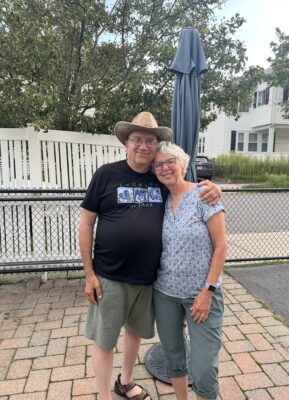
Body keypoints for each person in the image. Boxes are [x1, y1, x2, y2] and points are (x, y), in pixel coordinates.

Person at [79, 111, 222, 400]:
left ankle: (126, 381)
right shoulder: (107, 174)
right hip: (110, 275)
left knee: (134, 334)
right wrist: (89, 274)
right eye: (137, 140)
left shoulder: (161, 178)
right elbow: (86, 223)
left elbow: (188, 189)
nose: (143, 146)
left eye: (149, 141)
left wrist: (214, 188)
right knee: (105, 340)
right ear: (126, 142)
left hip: (148, 278)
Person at [153, 142, 227, 400]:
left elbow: (221, 247)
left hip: (202, 294)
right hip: (164, 293)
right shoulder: (158, 200)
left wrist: (207, 291)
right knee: (173, 355)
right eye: (158, 164)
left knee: (204, 365)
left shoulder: (203, 195)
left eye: (169, 161)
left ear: (182, 164)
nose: (164, 168)